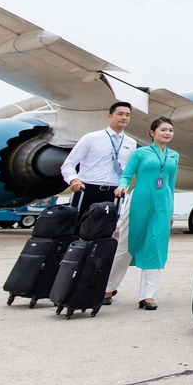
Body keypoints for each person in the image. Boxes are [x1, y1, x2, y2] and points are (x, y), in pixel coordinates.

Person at [111, 117, 178, 310]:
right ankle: (108, 287)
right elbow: (126, 175)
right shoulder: (140, 153)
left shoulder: (174, 155)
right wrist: (122, 187)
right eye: (163, 130)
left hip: (163, 203)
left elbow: (171, 183)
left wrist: (171, 211)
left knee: (155, 245)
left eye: (170, 130)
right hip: (140, 200)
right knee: (127, 244)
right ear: (152, 133)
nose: (167, 133)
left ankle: (147, 295)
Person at [60, 102, 138, 220]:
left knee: (107, 228)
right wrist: (74, 180)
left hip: (114, 192)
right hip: (87, 190)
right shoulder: (91, 138)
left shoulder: (131, 143)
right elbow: (68, 164)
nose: (124, 117)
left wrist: (124, 187)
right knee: (78, 227)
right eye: (120, 114)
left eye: (127, 115)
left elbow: (128, 170)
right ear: (109, 116)